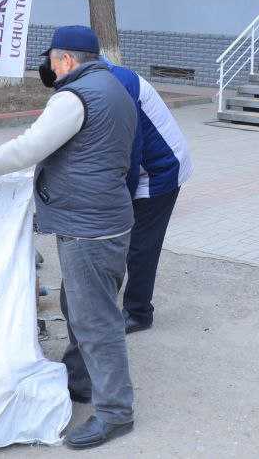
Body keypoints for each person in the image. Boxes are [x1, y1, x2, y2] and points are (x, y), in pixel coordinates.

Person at [0, 26, 137, 450]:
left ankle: (115, 412)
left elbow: (29, 147)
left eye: (51, 60)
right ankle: (80, 380)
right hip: (108, 217)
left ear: (66, 59)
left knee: (95, 318)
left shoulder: (74, 98)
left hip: (88, 226)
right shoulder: (114, 86)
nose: (49, 68)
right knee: (81, 305)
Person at [40, 58, 192, 334]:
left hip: (161, 169)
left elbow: (129, 156)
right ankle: (103, 303)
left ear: (69, 63)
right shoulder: (92, 79)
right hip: (137, 165)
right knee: (115, 240)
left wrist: (117, 204)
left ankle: (138, 313)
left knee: (140, 246)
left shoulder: (117, 88)